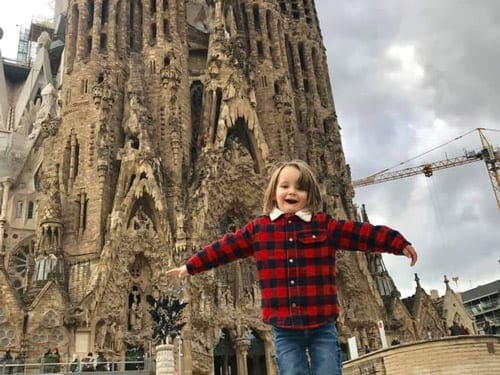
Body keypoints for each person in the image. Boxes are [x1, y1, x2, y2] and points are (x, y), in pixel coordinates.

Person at [166, 160, 418, 375]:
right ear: (273, 193)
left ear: (311, 195)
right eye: (284, 186)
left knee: (329, 369)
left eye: (300, 188)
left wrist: (397, 242)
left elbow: (361, 234)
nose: (292, 192)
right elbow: (224, 249)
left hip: (321, 323)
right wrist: (190, 267)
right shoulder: (260, 230)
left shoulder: (324, 226)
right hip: (285, 327)